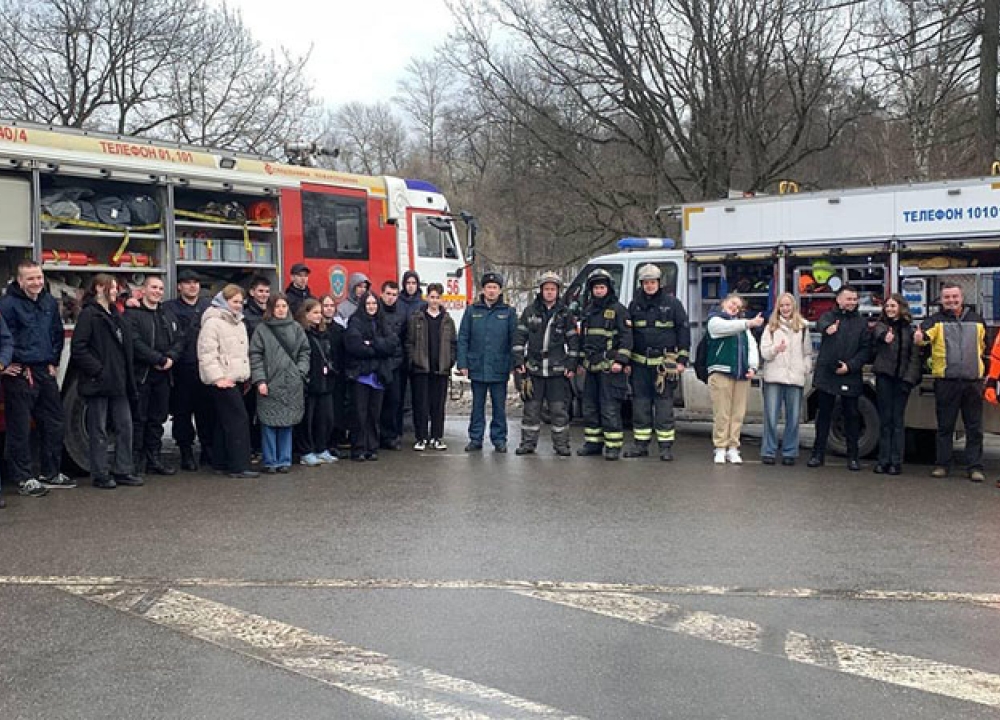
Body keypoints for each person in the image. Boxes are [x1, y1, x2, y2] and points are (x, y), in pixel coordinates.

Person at [0, 260, 72, 496]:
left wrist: (53, 361)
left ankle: (50, 473)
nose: (36, 282)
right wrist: (6, 365)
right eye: (30, 278)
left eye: (39, 277)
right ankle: (23, 478)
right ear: (20, 281)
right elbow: (4, 338)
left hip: (44, 371)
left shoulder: (48, 302)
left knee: (55, 423)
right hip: (20, 374)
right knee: (19, 428)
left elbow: (57, 333)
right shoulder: (8, 305)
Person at [71, 274, 143, 489]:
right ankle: (100, 474)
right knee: (99, 429)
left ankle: (123, 470)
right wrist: (99, 371)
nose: (116, 292)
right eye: (113, 288)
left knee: (124, 427)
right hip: (99, 382)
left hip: (118, 381)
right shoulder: (89, 315)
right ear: (100, 288)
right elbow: (79, 348)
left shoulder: (115, 314)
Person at [917, 283, 986, 481]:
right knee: (945, 427)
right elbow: (923, 340)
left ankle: (975, 467)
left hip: (973, 381)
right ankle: (942, 465)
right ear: (941, 300)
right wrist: (919, 337)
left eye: (954, 297)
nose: (951, 301)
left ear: (962, 298)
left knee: (974, 428)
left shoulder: (977, 320)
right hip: (947, 382)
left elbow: (984, 347)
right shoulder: (934, 321)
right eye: (947, 297)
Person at [623, 264, 690, 461]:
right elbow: (628, 335)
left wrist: (682, 359)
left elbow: (683, 331)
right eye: (646, 282)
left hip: (664, 365)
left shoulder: (672, 304)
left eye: (653, 282)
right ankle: (640, 445)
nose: (649, 286)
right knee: (640, 406)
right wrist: (626, 360)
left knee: (664, 407)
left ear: (659, 283)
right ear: (641, 284)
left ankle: (665, 447)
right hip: (639, 364)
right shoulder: (634, 305)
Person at [513, 272, 579, 456]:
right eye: (546, 289)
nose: (549, 292)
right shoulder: (530, 312)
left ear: (558, 291)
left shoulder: (565, 314)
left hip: (557, 371)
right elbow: (519, 338)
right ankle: (527, 444)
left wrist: (571, 365)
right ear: (540, 291)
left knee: (559, 410)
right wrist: (519, 362)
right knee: (531, 410)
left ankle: (561, 445)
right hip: (534, 369)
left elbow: (573, 342)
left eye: (553, 289)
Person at [197, 284, 258, 478]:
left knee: (223, 422)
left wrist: (245, 376)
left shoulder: (239, 322)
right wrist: (217, 378)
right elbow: (207, 353)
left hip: (236, 379)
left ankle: (221, 462)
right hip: (222, 379)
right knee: (238, 420)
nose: (238, 306)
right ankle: (239, 465)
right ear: (224, 301)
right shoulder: (213, 322)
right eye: (234, 302)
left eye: (241, 302)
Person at [808, 285, 871, 471]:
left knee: (852, 416)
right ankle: (817, 454)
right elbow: (821, 325)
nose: (852, 302)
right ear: (838, 300)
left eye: (854, 299)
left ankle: (853, 457)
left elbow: (866, 349)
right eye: (848, 299)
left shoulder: (861, 323)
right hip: (827, 374)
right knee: (824, 416)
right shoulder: (828, 317)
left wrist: (850, 366)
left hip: (850, 374)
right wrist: (827, 329)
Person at [126, 275, 184, 476]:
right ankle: (137, 462)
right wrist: (157, 360)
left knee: (157, 420)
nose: (157, 291)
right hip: (141, 375)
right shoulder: (132, 314)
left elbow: (179, 339)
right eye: (153, 287)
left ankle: (154, 459)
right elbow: (134, 342)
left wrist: (171, 358)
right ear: (143, 290)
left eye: (160, 288)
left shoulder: (167, 315)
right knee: (139, 419)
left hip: (164, 376)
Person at [249, 293, 311, 473]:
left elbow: (304, 351)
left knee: (287, 423)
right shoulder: (262, 329)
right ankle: (270, 461)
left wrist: (300, 372)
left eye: (284, 306)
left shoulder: (296, 328)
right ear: (271, 309)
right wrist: (260, 379)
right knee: (268, 423)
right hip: (269, 382)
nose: (281, 310)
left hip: (292, 382)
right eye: (277, 306)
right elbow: (255, 355)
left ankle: (284, 460)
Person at [457, 271, 517, 453]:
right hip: (477, 366)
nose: (491, 291)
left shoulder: (508, 312)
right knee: (477, 406)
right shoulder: (472, 311)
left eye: (495, 287)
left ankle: (499, 439)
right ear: (483, 289)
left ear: (500, 290)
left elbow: (514, 340)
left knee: (499, 406)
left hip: (499, 366)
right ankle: (475, 438)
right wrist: (462, 363)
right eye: (488, 287)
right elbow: (463, 338)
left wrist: (515, 364)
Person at [576, 269, 632, 460]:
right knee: (590, 407)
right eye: (596, 288)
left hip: (610, 368)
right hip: (591, 367)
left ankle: (613, 445)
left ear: (608, 288)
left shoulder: (618, 310)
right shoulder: (589, 310)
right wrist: (581, 361)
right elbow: (584, 339)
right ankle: (593, 443)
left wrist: (620, 361)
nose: (599, 291)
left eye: (602, 287)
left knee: (609, 407)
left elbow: (626, 338)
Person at [164, 269, 214, 471]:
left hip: (204, 366)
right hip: (182, 368)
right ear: (179, 287)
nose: (192, 286)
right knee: (182, 413)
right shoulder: (169, 308)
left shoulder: (208, 306)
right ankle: (185, 451)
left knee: (206, 412)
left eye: (196, 282)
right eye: (187, 283)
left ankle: (207, 451)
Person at [706, 293, 762, 465]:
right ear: (724, 303)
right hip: (720, 372)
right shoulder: (715, 320)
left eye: (738, 306)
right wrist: (749, 323)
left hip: (741, 374)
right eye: (732, 303)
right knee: (722, 413)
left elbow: (752, 347)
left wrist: (753, 367)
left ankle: (733, 447)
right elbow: (724, 328)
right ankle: (720, 448)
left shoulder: (742, 327)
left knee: (737, 414)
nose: (734, 307)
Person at [759, 292, 813, 466]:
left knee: (793, 417)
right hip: (774, 377)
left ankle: (790, 451)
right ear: (778, 308)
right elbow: (764, 352)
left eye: (788, 305)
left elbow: (807, 352)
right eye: (782, 305)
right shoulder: (771, 327)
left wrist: (805, 368)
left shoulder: (803, 327)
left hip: (795, 377)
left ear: (794, 306)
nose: (785, 308)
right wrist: (776, 348)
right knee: (771, 417)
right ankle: (769, 451)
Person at [871, 294, 923, 475]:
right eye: (887, 306)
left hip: (902, 380)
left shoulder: (910, 330)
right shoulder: (881, 326)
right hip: (884, 378)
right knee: (885, 420)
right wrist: (884, 337)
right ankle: (882, 460)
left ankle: (896, 461)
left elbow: (915, 358)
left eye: (893, 306)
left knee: (897, 421)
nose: (890, 309)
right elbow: (877, 335)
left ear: (901, 307)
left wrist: (909, 380)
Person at [344, 292, 399, 460]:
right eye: (368, 304)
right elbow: (355, 347)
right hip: (361, 375)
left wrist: (372, 343)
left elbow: (392, 343)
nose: (371, 307)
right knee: (360, 414)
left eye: (374, 303)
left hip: (378, 376)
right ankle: (359, 448)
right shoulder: (355, 321)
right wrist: (378, 348)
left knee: (374, 414)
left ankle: (372, 447)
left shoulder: (383, 322)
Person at [407, 283, 457, 450]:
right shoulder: (417, 317)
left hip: (440, 369)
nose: (434, 301)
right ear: (427, 297)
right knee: (421, 404)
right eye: (432, 297)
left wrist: (450, 361)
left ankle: (437, 436)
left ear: (442, 299)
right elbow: (410, 341)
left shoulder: (447, 320)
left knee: (438, 405)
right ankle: (421, 437)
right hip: (421, 368)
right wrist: (414, 359)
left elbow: (453, 344)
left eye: (437, 297)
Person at [298, 298, 339, 465]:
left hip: (325, 382)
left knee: (326, 418)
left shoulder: (323, 333)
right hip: (309, 383)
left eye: (319, 313)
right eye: (314, 312)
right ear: (305, 314)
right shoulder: (301, 333)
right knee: (307, 420)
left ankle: (321, 448)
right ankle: (306, 451)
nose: (318, 316)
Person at [243, 275, 271, 459]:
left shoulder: (270, 313)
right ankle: (250, 448)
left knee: (264, 412)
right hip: (251, 370)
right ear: (252, 292)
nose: (264, 295)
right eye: (260, 291)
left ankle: (260, 447)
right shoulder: (246, 315)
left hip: (269, 370)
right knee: (249, 411)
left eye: (267, 291)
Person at [320, 294, 350, 457]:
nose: (329, 308)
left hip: (337, 377)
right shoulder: (316, 329)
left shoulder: (340, 330)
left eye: (332, 305)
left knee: (336, 412)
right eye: (326, 306)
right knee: (322, 413)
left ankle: (333, 443)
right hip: (321, 378)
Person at [377, 280, 407, 450]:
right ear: (382, 294)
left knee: (394, 401)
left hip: (395, 364)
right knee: (376, 403)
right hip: (378, 363)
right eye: (388, 294)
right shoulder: (374, 310)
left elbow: (405, 340)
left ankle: (391, 436)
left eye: (394, 295)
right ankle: (376, 436)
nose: (390, 298)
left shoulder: (401, 314)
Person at [397, 270, 426, 435]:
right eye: (408, 283)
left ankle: (419, 428)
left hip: (417, 355)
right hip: (400, 354)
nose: (410, 286)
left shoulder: (422, 304)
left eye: (414, 283)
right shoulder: (398, 303)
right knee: (398, 395)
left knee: (418, 395)